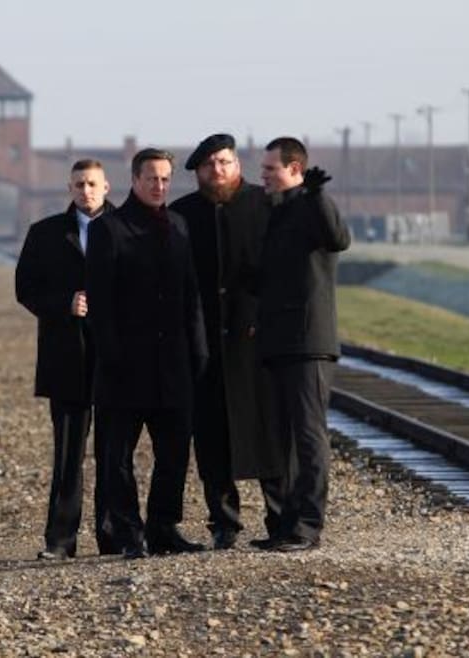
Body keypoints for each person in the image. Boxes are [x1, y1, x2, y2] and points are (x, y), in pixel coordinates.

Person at [85, 148, 208, 559]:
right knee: (117, 457)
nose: (159, 186)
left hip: (173, 364)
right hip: (124, 366)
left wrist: (198, 350)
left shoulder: (179, 226)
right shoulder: (110, 229)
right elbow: (100, 304)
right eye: (152, 178)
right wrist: (111, 356)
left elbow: (191, 296)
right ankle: (128, 532)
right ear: (135, 180)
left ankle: (163, 528)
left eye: (165, 179)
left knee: (174, 452)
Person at [170, 134, 283, 550]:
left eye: (224, 162)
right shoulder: (182, 215)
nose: (217, 170)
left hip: (256, 339)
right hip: (203, 342)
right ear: (198, 172)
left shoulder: (265, 206)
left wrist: (262, 315)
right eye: (209, 165)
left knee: (269, 429)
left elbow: (282, 271)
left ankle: (280, 515)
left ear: (238, 165)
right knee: (212, 434)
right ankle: (224, 521)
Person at [15, 159, 118, 559]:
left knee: (114, 453)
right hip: (66, 354)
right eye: (79, 184)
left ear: (106, 186)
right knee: (68, 454)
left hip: (115, 356)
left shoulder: (125, 228)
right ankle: (60, 540)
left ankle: (113, 536)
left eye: (92, 184)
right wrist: (63, 304)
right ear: (70, 188)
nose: (86, 191)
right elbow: (25, 288)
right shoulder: (45, 234)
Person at [254, 137, 351, 552]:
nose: (264, 177)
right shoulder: (277, 213)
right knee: (284, 441)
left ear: (294, 169)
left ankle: (308, 526)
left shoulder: (310, 205)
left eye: (271, 169)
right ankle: (286, 525)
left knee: (309, 438)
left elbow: (338, 238)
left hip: (308, 342)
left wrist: (318, 194)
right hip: (279, 342)